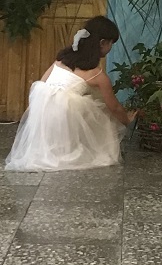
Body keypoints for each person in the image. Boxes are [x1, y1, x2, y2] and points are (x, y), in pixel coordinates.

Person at [5, 16, 137, 171]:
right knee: (101, 113)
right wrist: (127, 120)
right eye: (111, 44)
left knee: (87, 102)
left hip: (42, 114)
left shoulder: (61, 60)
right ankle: (76, 145)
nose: (110, 48)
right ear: (102, 43)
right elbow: (114, 107)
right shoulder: (97, 75)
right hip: (65, 114)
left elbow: (42, 83)